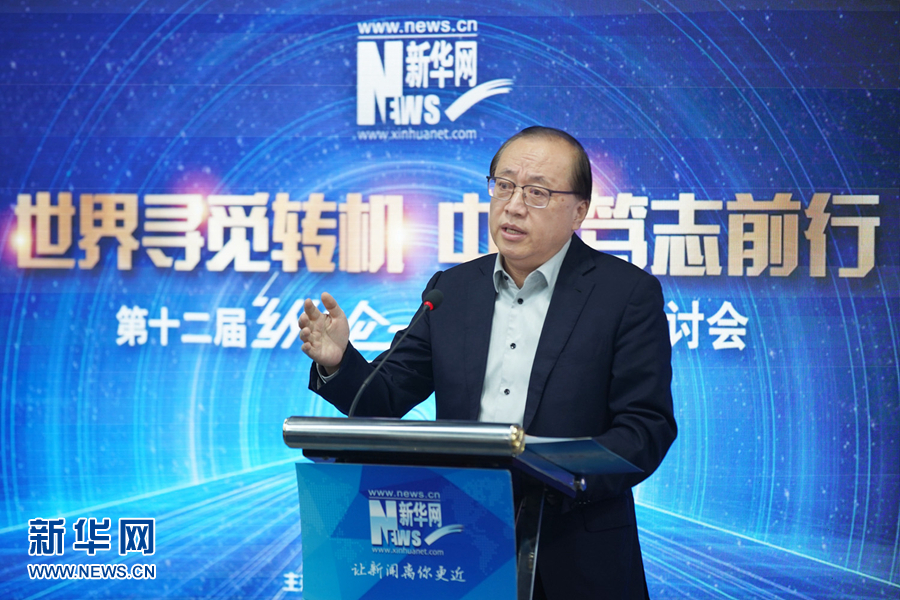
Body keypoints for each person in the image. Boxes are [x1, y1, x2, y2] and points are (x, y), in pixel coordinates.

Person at [298, 126, 677, 599]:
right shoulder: (452, 290)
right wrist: (338, 361)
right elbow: (385, 396)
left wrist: (553, 473)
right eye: (504, 185)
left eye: (537, 192)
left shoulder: (625, 294)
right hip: (461, 544)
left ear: (579, 210)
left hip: (575, 551)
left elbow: (644, 429)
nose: (514, 206)